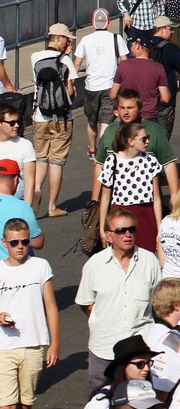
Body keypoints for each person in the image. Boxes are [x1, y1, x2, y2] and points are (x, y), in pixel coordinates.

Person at [77, 207, 163, 392]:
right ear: (108, 236)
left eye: (131, 229)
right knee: (100, 399)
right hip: (105, 349)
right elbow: (85, 302)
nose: (127, 234)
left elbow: (159, 303)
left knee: (142, 399)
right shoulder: (94, 265)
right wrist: (104, 319)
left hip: (139, 352)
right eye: (121, 231)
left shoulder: (149, 261)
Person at [0, 217, 57, 409]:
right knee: (6, 404)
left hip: (34, 343)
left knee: (26, 403)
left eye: (25, 241)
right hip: (4, 346)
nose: (20, 247)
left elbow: (51, 306)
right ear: (4, 243)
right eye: (14, 242)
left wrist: (54, 343)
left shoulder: (40, 266)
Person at [29, 23, 77, 218]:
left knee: (41, 158)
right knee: (56, 162)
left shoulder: (34, 57)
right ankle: (52, 206)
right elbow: (71, 92)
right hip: (63, 119)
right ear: (57, 38)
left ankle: (37, 189)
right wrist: (68, 56)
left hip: (40, 116)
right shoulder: (66, 60)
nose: (68, 41)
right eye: (66, 38)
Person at [97, 121, 164, 252]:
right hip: (120, 216)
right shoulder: (112, 161)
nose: (147, 142)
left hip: (146, 215)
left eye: (148, 138)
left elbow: (156, 198)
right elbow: (105, 198)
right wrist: (102, 228)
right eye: (144, 139)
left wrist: (159, 229)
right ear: (130, 141)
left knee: (146, 257)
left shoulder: (151, 161)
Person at [74, 7, 128, 157]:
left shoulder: (85, 40)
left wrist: (70, 84)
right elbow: (124, 62)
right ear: (108, 22)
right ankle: (103, 151)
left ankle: (92, 150)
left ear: (93, 23)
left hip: (91, 86)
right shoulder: (116, 38)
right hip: (111, 86)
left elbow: (76, 64)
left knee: (91, 121)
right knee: (106, 120)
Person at [84, 334, 162, 409]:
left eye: (148, 363)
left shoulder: (148, 391)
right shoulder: (101, 402)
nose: (146, 368)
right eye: (140, 364)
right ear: (123, 367)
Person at [149, 17, 180, 138]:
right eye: (170, 29)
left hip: (145, 100)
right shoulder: (172, 48)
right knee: (162, 141)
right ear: (162, 29)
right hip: (166, 100)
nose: (173, 32)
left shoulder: (144, 46)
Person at [110, 35, 170, 124]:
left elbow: (112, 95)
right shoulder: (158, 67)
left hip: (129, 118)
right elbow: (165, 98)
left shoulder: (123, 65)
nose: (131, 47)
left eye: (132, 45)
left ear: (138, 46)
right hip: (149, 116)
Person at [0, 108, 35, 208]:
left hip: (17, 199)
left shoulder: (25, 145)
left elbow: (29, 183)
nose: (17, 125)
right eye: (12, 123)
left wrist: (26, 209)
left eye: (18, 121)